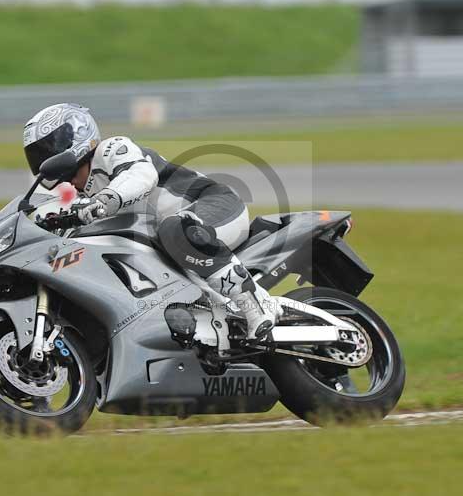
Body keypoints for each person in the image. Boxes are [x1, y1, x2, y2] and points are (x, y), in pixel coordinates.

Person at [23, 103, 280, 340]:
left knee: (175, 228)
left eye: (46, 149)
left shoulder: (111, 150)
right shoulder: (80, 197)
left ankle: (256, 304)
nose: (44, 160)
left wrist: (108, 198)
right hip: (173, 246)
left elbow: (141, 175)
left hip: (215, 205)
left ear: (73, 136)